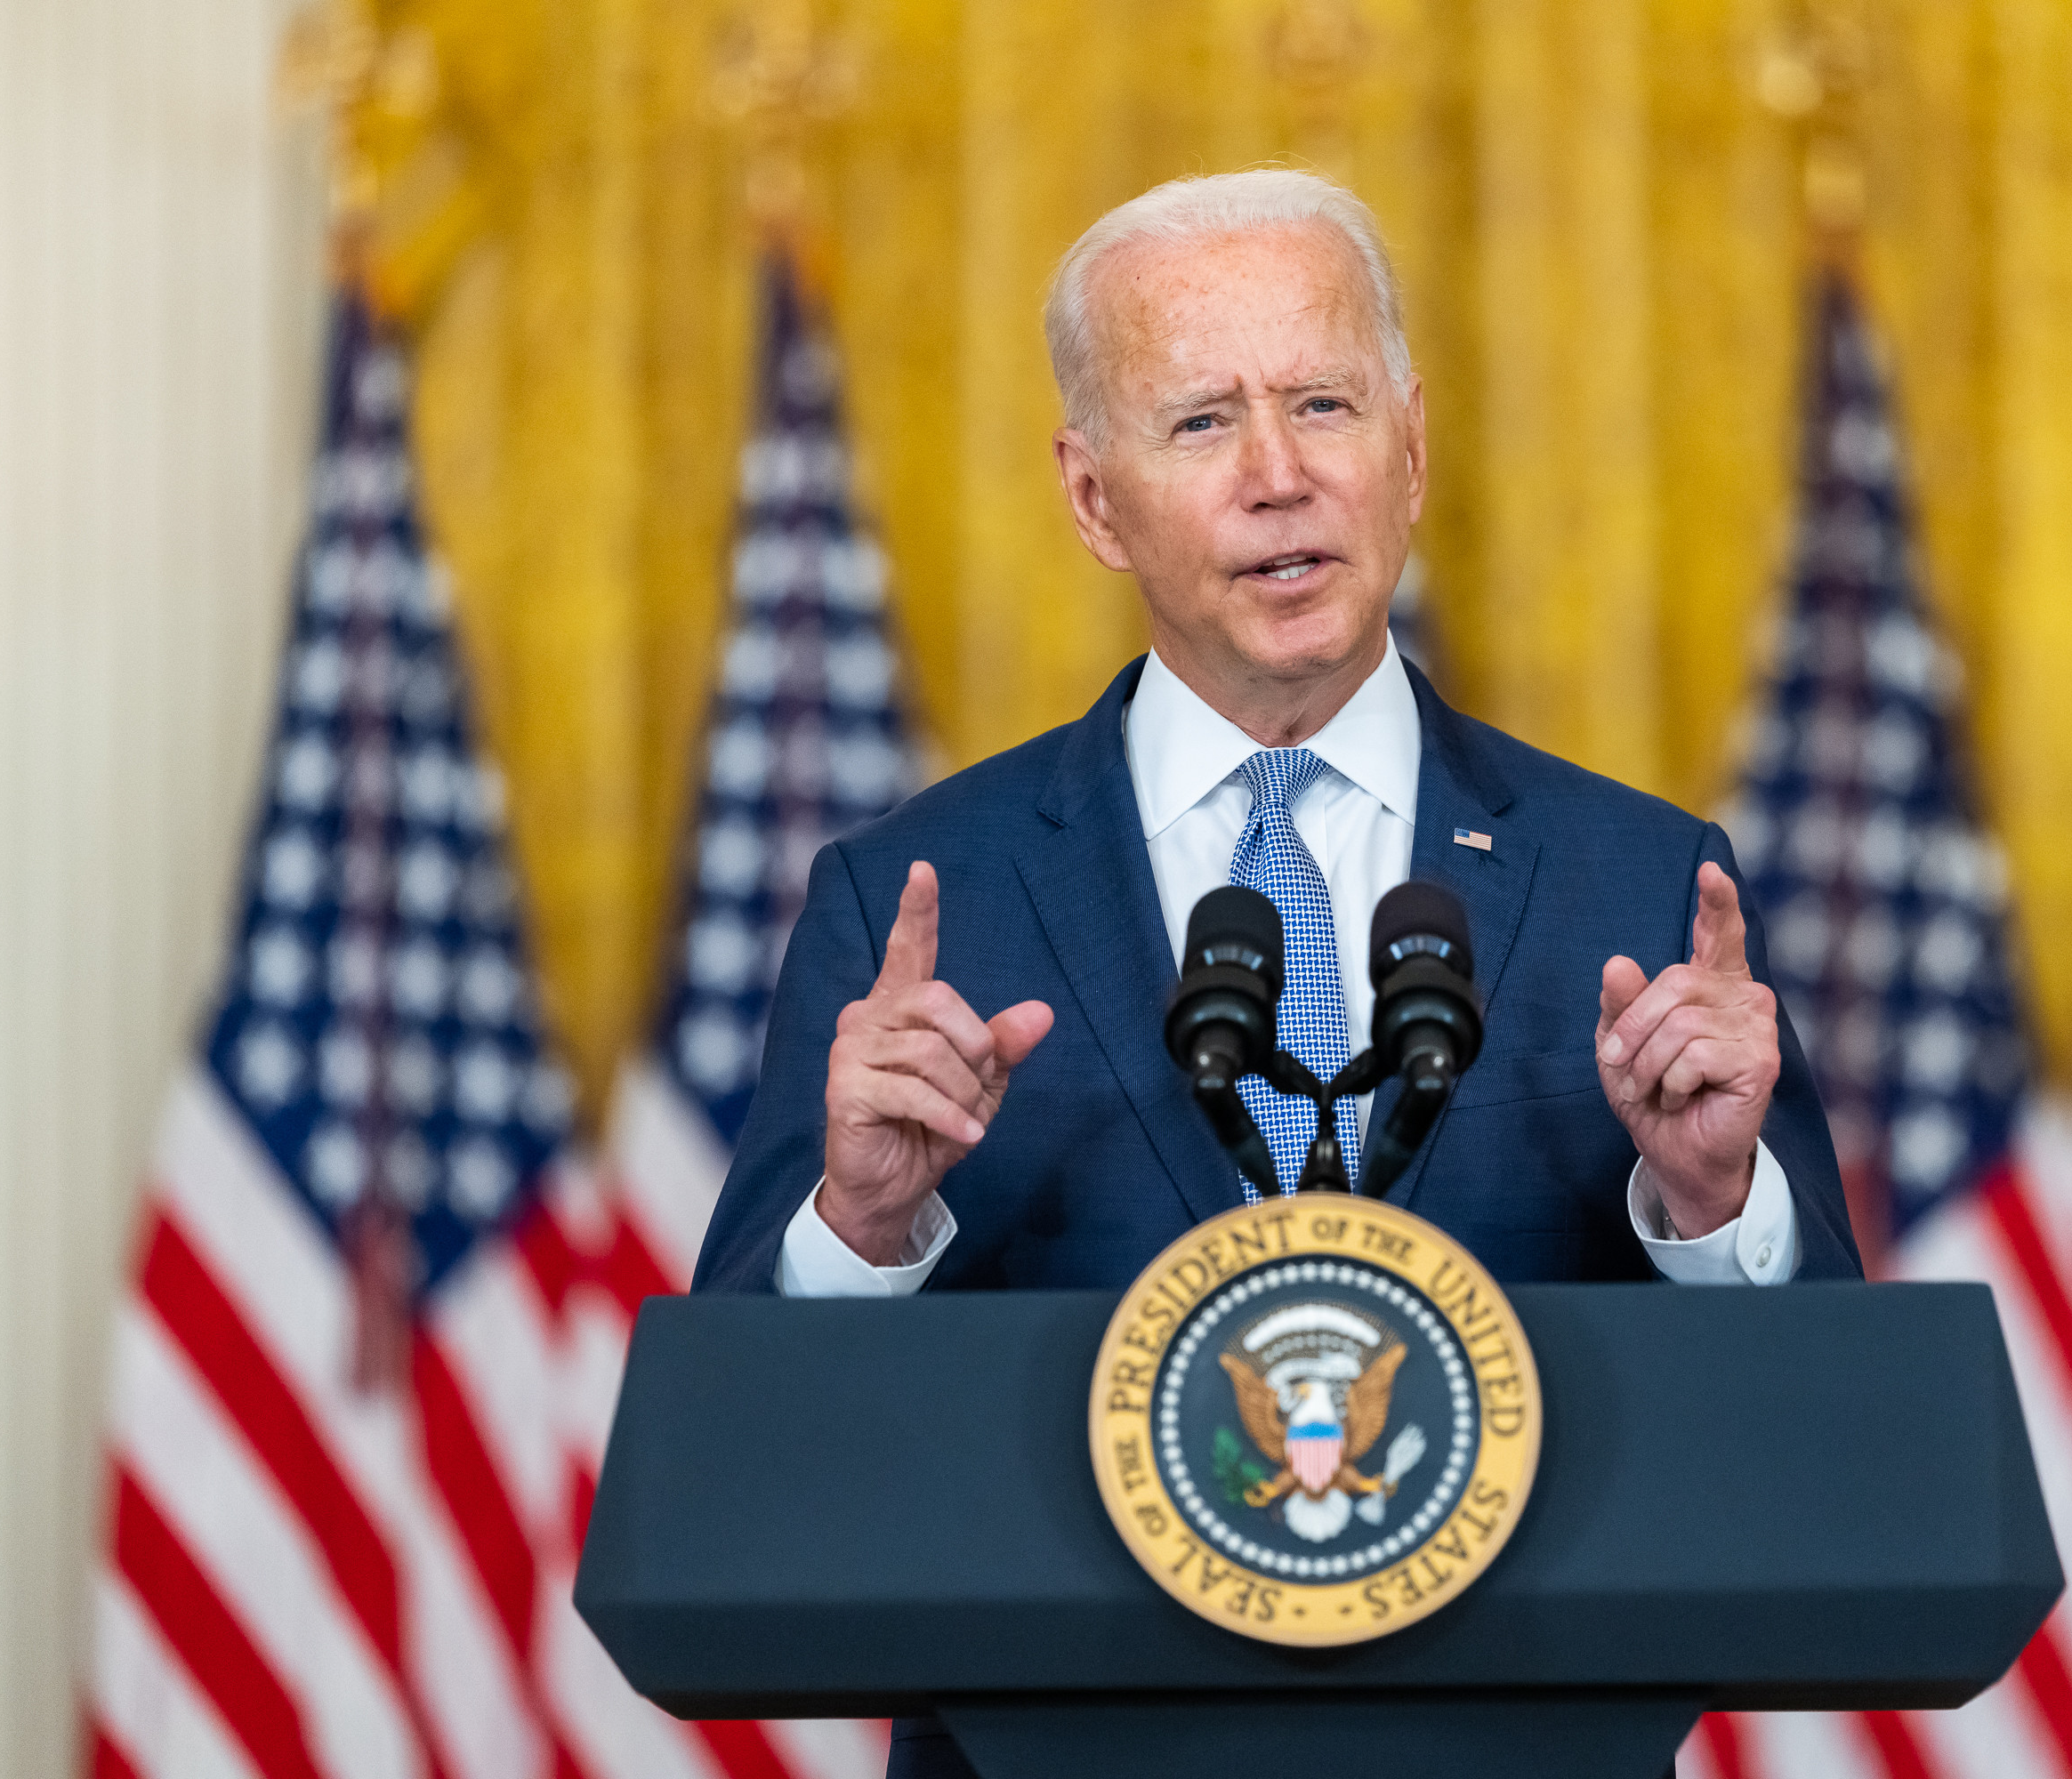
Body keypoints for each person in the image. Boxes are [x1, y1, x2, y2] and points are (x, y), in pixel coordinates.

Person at [691, 169, 1860, 1775]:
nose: (1280, 477)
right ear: (1094, 501)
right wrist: (863, 1229)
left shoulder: (1640, 883)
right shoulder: (920, 905)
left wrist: (1718, 1207)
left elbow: (1830, 1432)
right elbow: (737, 1459)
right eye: (1200, 423)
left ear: (1412, 450)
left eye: (1323, 404)